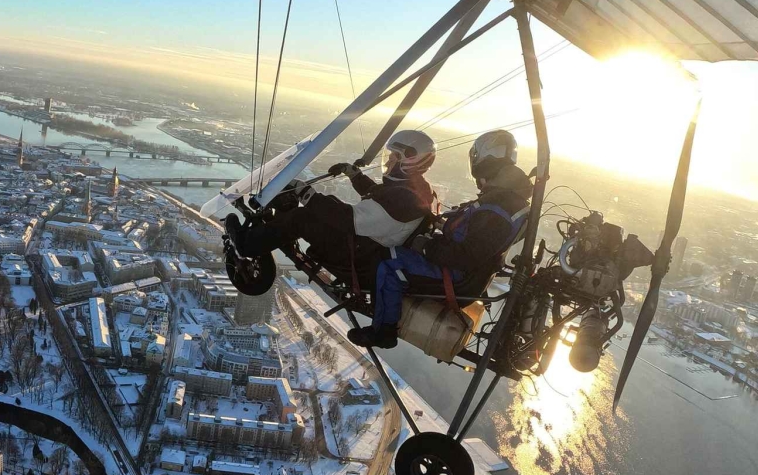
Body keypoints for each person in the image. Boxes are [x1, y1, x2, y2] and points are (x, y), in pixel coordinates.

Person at [348, 128, 533, 349]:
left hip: (458, 278)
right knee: (400, 249)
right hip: (465, 271)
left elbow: (466, 255)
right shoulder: (507, 198)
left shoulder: (498, 206)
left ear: (483, 159)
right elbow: (477, 239)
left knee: (389, 261)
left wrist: (426, 246)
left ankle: (383, 332)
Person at [224, 129, 436, 273]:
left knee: (303, 217)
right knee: (322, 205)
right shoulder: (414, 190)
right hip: (366, 248)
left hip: (357, 255)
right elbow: (379, 196)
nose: (388, 161)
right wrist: (354, 175)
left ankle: (246, 246)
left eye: (395, 157)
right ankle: (274, 232)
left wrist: (305, 192)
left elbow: (346, 219)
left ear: (411, 162)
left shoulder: (405, 199)